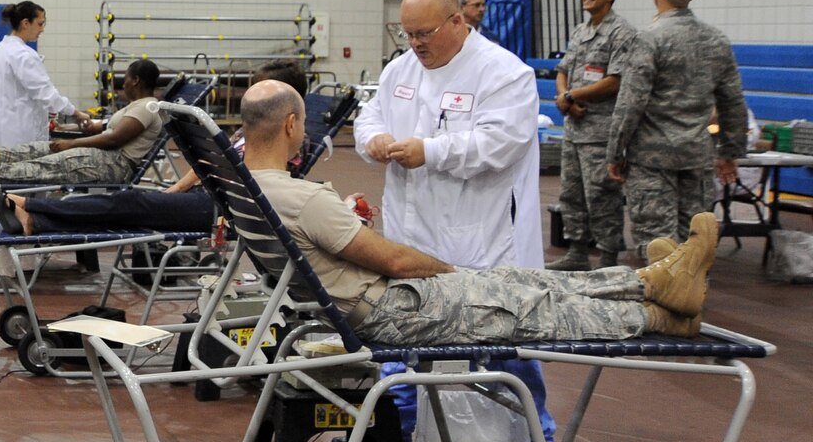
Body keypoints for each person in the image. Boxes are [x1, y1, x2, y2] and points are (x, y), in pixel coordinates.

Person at [238, 81, 715, 345]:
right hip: (389, 309)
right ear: (292, 124)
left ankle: (655, 283)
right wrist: (449, 271)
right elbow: (399, 263)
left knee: (520, 281)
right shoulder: (301, 197)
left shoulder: (244, 187)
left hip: (369, 301)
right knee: (530, 305)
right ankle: (659, 316)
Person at [355, 0, 552, 439]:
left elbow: (502, 144)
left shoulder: (504, 73)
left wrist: (432, 151)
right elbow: (369, 118)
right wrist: (373, 140)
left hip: (480, 241)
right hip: (410, 237)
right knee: (403, 339)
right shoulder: (401, 70)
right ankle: (396, 433)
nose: (416, 44)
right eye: (408, 34)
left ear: (458, 21)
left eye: (424, 33)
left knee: (503, 345)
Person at [0, 59, 312, 237]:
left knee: (130, 201)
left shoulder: (290, 139)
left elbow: (270, 187)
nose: (252, 100)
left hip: (226, 213)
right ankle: (35, 220)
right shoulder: (251, 130)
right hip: (211, 198)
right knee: (129, 207)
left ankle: (30, 209)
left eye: (260, 93)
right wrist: (174, 191)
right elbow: (211, 167)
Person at [606, 0, 748, 254]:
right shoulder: (717, 40)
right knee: (695, 238)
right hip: (696, 157)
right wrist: (729, 151)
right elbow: (732, 100)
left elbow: (631, 102)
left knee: (659, 241)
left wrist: (615, 151)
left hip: (651, 159)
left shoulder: (649, 38)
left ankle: (664, 298)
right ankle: (694, 295)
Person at [0, 59, 163, 186]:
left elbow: (115, 139)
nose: (123, 83)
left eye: (125, 77)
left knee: (51, 163)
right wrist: (71, 128)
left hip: (116, 165)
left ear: (135, 80)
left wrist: (72, 143)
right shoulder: (135, 106)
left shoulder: (147, 107)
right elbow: (105, 128)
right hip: (106, 157)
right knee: (41, 148)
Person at [549, 0, 639, 270]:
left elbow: (615, 81)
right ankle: (577, 251)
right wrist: (564, 97)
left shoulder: (621, 32)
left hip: (601, 131)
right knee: (571, 193)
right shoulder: (579, 31)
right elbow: (562, 69)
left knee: (601, 196)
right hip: (574, 128)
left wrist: (571, 95)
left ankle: (609, 258)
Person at [0, 1, 87, 148]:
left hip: (1, 134)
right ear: (26, 23)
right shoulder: (23, 55)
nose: (42, 30)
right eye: (40, 24)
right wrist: (75, 112)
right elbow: (46, 94)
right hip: (22, 138)